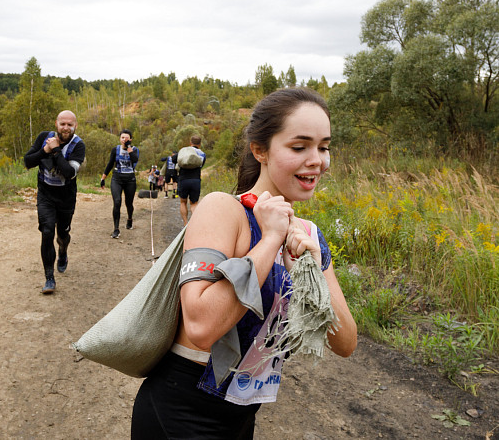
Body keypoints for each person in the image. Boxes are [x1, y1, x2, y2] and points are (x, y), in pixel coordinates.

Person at [131, 88, 357, 439]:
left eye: (324, 146)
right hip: (181, 411)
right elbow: (201, 326)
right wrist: (269, 241)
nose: (317, 160)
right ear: (260, 150)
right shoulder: (224, 210)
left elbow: (345, 344)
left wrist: (311, 269)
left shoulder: (309, 234)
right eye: (300, 147)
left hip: (242, 415)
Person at [23, 110, 86, 294]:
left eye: (70, 124)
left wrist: (56, 150)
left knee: (62, 234)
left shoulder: (78, 145)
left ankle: (63, 248)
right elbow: (28, 162)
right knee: (47, 231)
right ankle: (49, 278)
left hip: (66, 197)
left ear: (75, 126)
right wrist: (45, 150)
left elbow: (68, 172)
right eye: (62, 124)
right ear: (56, 124)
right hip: (46, 195)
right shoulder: (44, 137)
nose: (66, 128)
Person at [100, 129, 139, 239]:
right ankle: (116, 229)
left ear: (130, 139)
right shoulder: (115, 150)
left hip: (130, 180)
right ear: (120, 139)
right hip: (117, 178)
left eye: (126, 138)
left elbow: (135, 160)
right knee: (117, 202)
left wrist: (129, 147)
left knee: (129, 203)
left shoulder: (135, 150)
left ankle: (130, 218)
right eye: (122, 138)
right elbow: (110, 164)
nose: (124, 140)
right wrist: (103, 178)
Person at [173, 136, 206, 225]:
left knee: (183, 202)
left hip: (183, 179)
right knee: (194, 204)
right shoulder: (202, 154)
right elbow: (201, 165)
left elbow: (174, 159)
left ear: (190, 143)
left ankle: (185, 223)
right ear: (200, 144)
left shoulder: (183, 151)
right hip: (196, 180)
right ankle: (194, 224)